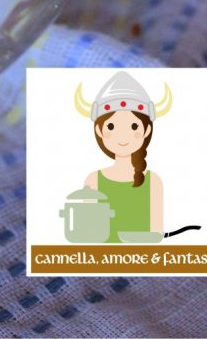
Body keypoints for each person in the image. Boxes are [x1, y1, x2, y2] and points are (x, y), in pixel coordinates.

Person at [74, 71, 172, 242]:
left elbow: (156, 234)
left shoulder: (153, 181)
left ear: (146, 130)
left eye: (134, 126)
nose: (123, 135)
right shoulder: (93, 179)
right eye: (111, 126)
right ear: (99, 131)